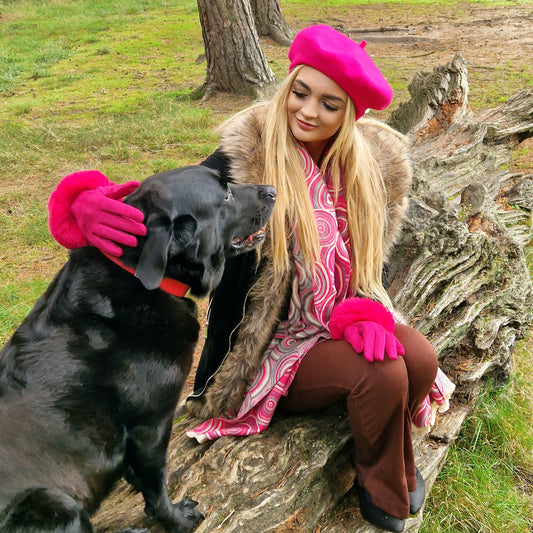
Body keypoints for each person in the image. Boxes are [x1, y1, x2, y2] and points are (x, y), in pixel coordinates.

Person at [48, 25, 455, 533]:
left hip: (332, 327)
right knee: (383, 372)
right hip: (261, 352)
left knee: (420, 357)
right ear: (288, 86)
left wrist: (364, 312)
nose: (308, 111)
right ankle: (382, 486)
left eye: (329, 104)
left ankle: (393, 445)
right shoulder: (247, 160)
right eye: (300, 93)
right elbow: (171, 202)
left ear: (350, 115)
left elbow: (369, 267)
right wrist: (87, 202)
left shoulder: (368, 168)